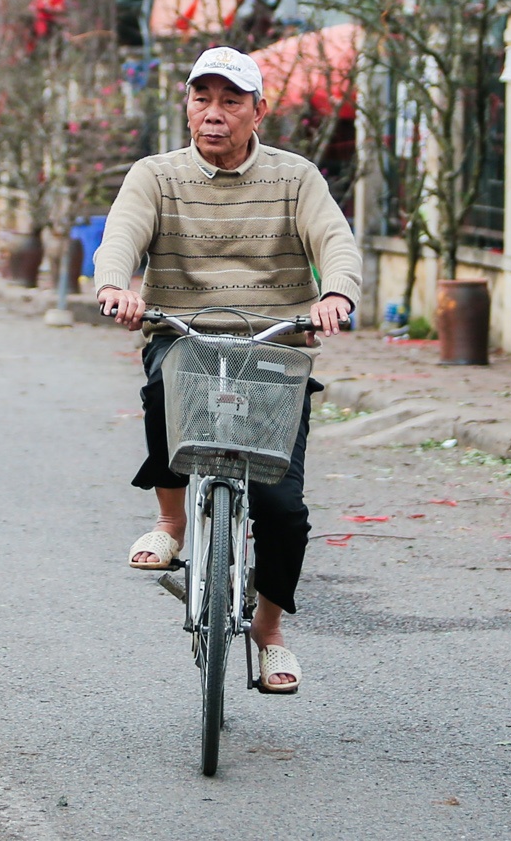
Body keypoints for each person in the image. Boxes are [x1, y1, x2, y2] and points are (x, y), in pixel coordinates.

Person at [93, 46, 360, 695]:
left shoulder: (295, 178)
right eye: (201, 97)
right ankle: (173, 521)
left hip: (274, 346)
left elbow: (335, 239)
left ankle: (268, 633)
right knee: (164, 383)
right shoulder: (155, 176)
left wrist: (337, 294)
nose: (213, 113)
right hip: (183, 333)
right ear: (188, 104)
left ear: (257, 110)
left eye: (229, 100)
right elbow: (121, 235)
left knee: (283, 508)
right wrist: (115, 285)